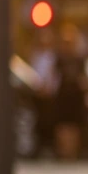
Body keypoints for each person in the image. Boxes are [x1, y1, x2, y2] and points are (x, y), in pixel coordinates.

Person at [53, 23, 88, 161]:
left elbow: (85, 78)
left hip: (76, 95)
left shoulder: (80, 59)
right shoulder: (58, 59)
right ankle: (63, 153)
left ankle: (72, 154)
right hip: (62, 95)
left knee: (75, 126)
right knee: (62, 126)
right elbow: (53, 77)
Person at [30, 27, 59, 158]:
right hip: (38, 94)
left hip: (49, 94)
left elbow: (54, 75)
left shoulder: (54, 56)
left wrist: (49, 88)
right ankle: (39, 147)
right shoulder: (35, 55)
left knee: (49, 122)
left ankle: (49, 147)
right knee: (38, 121)